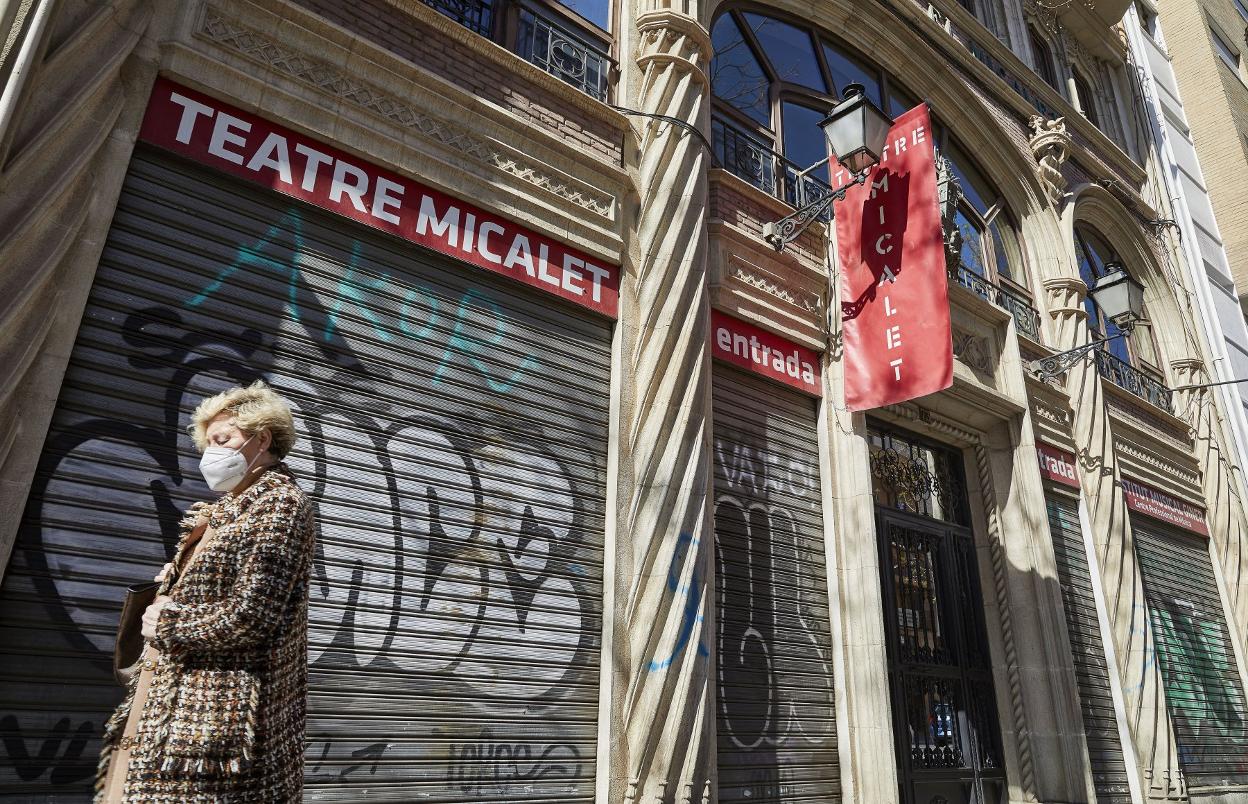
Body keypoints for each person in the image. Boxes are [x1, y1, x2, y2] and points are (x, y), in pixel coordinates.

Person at [97, 380, 315, 803]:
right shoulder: (225, 511)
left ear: (261, 439)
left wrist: (168, 621)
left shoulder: (280, 505)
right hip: (176, 700)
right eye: (208, 443)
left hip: (215, 713)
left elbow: (253, 615)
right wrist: (175, 580)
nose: (210, 454)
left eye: (223, 439)